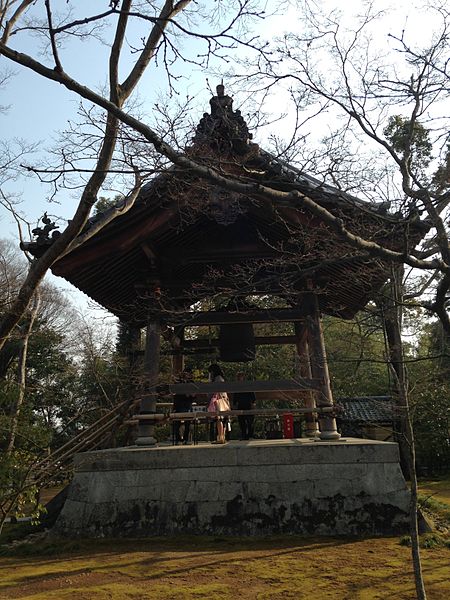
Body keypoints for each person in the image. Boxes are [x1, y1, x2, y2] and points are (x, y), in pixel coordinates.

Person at [207, 363, 231, 444]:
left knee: (219, 419)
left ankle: (220, 437)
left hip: (219, 400)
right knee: (223, 419)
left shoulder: (217, 379)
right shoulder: (221, 378)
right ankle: (222, 437)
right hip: (223, 399)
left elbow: (215, 390)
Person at [172, 368, 195, 444]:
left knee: (186, 423)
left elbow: (193, 395)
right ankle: (179, 439)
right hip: (180, 404)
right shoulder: (179, 382)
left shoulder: (191, 383)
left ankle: (185, 439)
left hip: (186, 404)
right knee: (177, 423)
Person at [233, 371, 256, 440]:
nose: (239, 378)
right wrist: (234, 403)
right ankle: (244, 435)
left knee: (249, 421)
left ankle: (250, 435)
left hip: (248, 404)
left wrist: (253, 402)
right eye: (238, 377)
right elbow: (235, 396)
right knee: (241, 421)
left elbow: (252, 395)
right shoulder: (237, 386)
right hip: (240, 405)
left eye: (240, 376)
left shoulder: (247, 385)